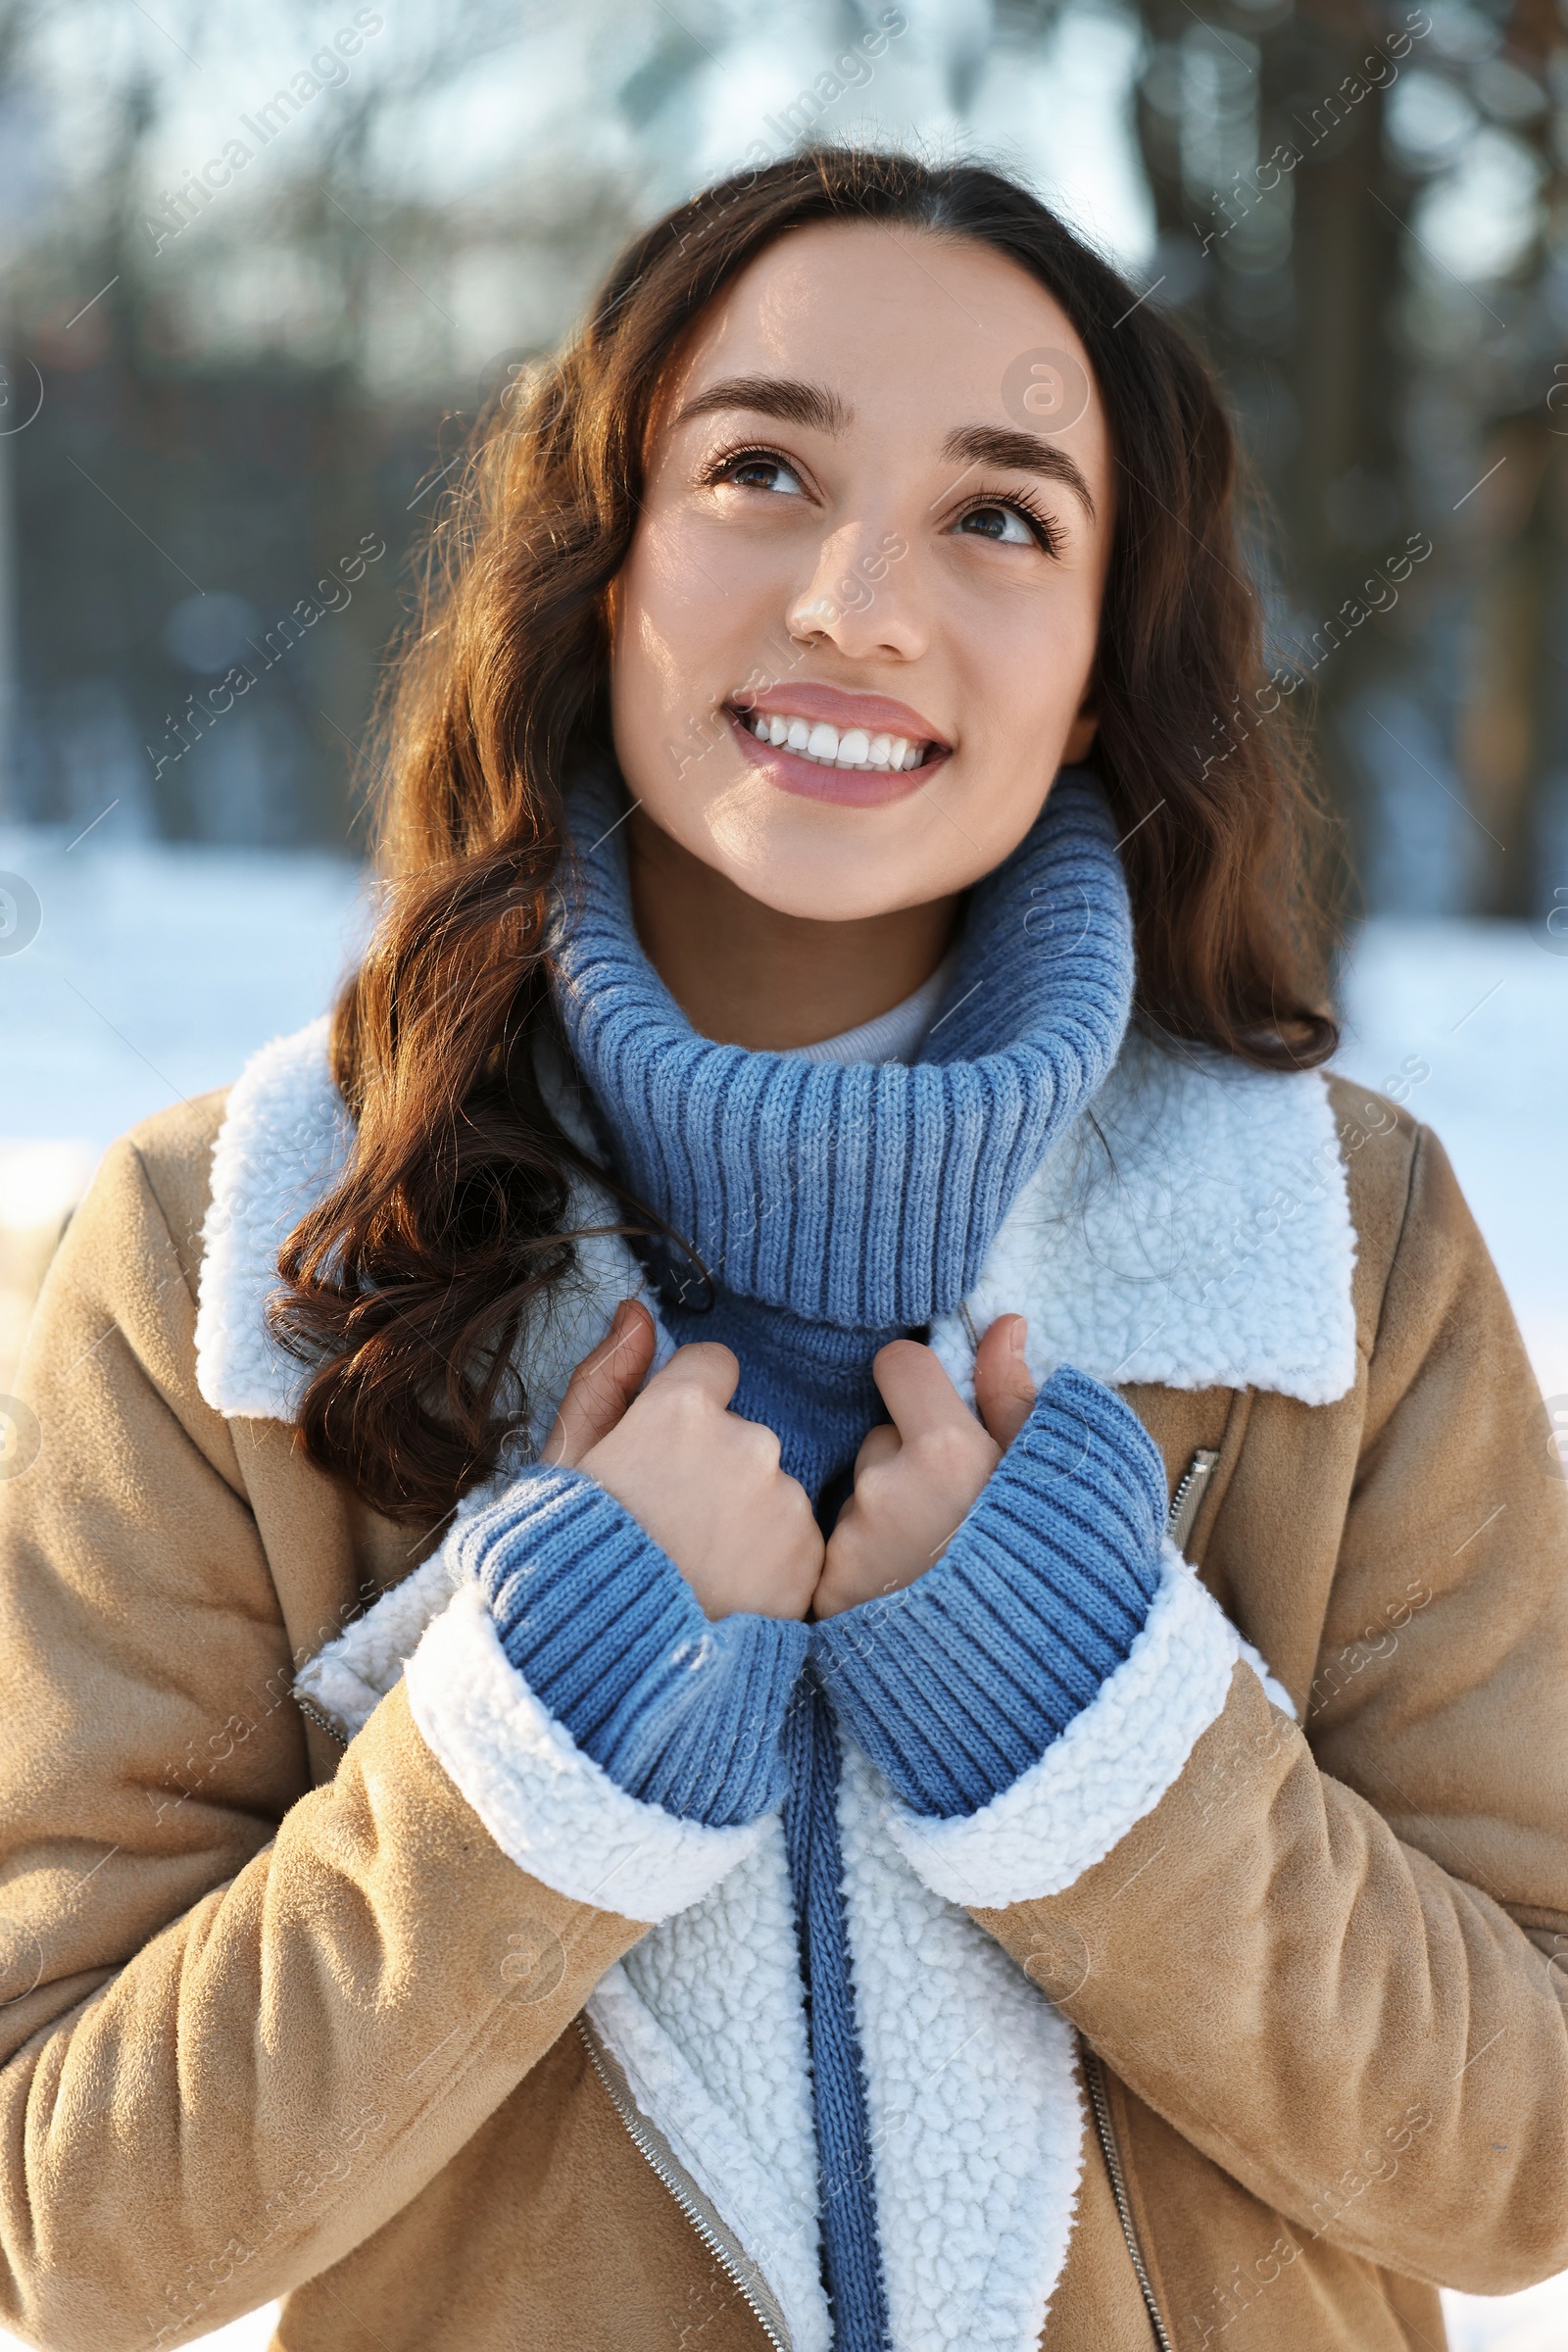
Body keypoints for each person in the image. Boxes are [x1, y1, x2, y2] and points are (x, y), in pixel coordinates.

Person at [2, 147, 1566, 2352]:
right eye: (758, 471)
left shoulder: (1333, 1243)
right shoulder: (226, 1249)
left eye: (999, 513)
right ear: (600, 563)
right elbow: (66, 2221)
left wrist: (1088, 1723)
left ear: (1105, 666)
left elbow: (1521, 2162)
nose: (856, 602)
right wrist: (545, 1729)